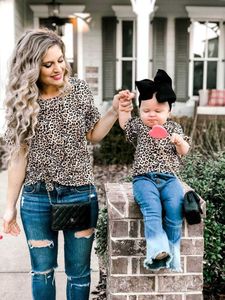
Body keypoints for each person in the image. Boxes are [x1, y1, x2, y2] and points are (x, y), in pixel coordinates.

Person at [2, 28, 132, 300]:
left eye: (60, 60)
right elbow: (18, 158)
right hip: (37, 197)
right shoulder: (24, 102)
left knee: (79, 274)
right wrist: (9, 207)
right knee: (42, 272)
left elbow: (93, 134)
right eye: (48, 64)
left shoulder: (80, 89)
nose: (58, 68)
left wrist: (112, 111)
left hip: (79, 193)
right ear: (30, 68)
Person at [118, 69, 190, 272]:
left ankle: (173, 255)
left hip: (169, 179)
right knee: (152, 209)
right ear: (140, 110)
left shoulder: (174, 128)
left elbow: (184, 151)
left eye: (158, 111)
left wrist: (179, 143)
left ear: (168, 112)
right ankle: (157, 252)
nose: (151, 115)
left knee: (175, 210)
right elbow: (125, 123)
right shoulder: (140, 127)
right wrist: (124, 108)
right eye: (146, 110)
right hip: (144, 179)